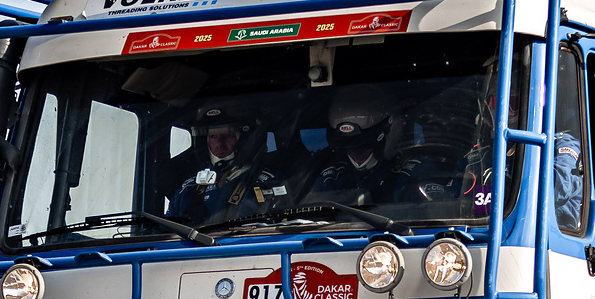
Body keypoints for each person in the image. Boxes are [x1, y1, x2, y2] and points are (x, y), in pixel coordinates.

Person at [303, 85, 452, 208]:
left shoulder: (415, 172)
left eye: (364, 146)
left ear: (390, 132)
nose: (356, 154)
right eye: (349, 148)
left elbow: (434, 218)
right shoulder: (333, 177)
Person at [162, 103, 295, 225]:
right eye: (213, 137)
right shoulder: (187, 190)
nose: (219, 144)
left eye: (228, 135)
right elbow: (165, 231)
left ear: (244, 140)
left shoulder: (270, 180)